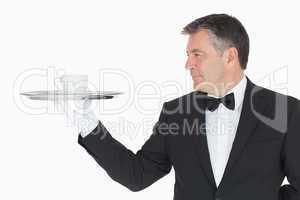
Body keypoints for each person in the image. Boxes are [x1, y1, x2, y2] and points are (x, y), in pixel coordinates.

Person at [65, 14, 300, 200]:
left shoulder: (286, 111)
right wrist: (87, 119)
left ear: (229, 57)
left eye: (197, 55)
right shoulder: (176, 112)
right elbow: (136, 176)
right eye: (188, 55)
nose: (188, 64)